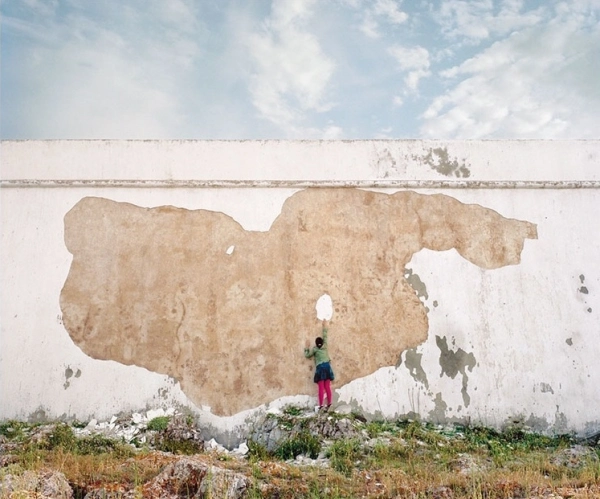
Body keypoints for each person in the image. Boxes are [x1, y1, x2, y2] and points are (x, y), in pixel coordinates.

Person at [304, 319, 335, 410]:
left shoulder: (314, 349)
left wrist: (306, 348)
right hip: (327, 367)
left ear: (316, 344)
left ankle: (321, 405)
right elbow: (325, 336)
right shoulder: (325, 346)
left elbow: (307, 355)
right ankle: (329, 403)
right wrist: (324, 326)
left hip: (320, 369)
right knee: (327, 387)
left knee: (321, 388)